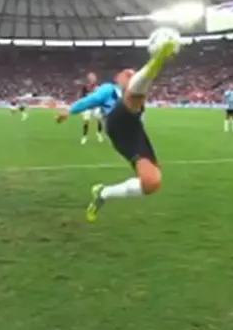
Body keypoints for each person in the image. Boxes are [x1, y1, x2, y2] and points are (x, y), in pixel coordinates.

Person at [56, 36, 178, 222]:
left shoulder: (135, 96)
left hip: (133, 131)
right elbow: (92, 100)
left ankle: (103, 193)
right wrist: (70, 110)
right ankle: (157, 59)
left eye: (132, 74)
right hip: (116, 122)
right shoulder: (109, 89)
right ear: (117, 78)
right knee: (133, 96)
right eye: (126, 74)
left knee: (151, 182)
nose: (129, 75)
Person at [79, 72, 104, 145]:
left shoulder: (98, 87)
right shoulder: (85, 87)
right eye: (91, 78)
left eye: (93, 78)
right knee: (86, 121)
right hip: (87, 107)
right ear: (88, 79)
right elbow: (82, 97)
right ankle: (84, 136)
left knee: (99, 119)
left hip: (96, 107)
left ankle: (99, 133)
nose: (92, 79)